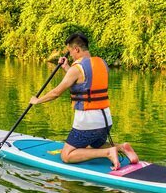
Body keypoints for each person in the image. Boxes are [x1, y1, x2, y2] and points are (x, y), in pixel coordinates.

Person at [29, 33, 138, 170]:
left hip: (88, 122)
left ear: (76, 50)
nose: (70, 55)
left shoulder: (76, 69)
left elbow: (56, 93)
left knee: (66, 155)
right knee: (93, 145)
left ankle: (108, 152)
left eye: (70, 51)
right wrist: (67, 67)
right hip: (106, 120)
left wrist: (37, 101)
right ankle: (121, 147)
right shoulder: (101, 63)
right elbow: (85, 81)